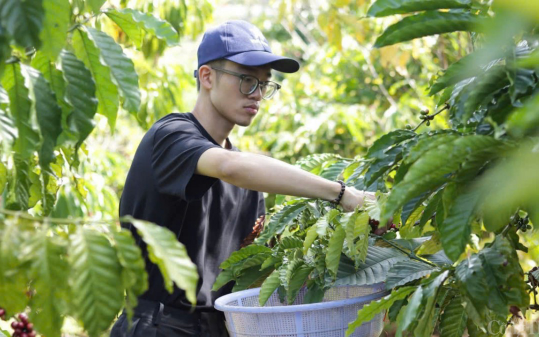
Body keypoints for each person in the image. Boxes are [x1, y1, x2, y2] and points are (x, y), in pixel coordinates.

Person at [110, 20, 373, 337]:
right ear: (207, 77)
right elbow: (230, 167)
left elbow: (244, 271)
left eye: (264, 85)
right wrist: (342, 194)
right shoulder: (171, 137)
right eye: (247, 80)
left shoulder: (249, 184)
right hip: (159, 325)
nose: (258, 94)